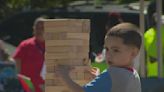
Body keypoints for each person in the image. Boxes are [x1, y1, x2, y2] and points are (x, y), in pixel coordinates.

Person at [56, 23, 142, 92]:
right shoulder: (134, 74)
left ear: (133, 53)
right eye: (107, 49)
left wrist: (65, 77)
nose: (108, 55)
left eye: (116, 50)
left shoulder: (111, 74)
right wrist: (99, 79)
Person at [13, 17, 45, 92]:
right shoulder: (25, 45)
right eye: (37, 27)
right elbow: (17, 68)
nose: (39, 30)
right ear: (33, 29)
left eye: (42, 28)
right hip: (27, 89)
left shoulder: (52, 46)